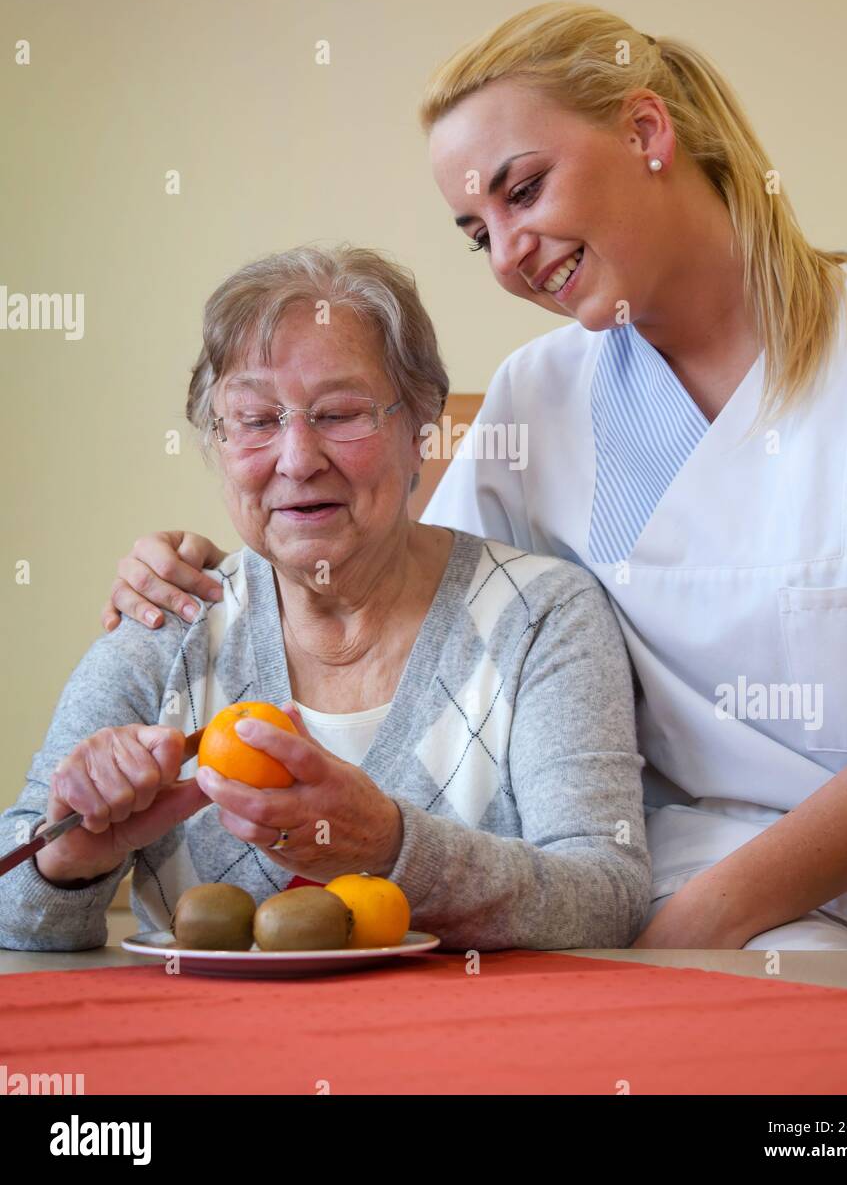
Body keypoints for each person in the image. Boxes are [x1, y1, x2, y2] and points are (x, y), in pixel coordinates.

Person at [99, 2, 847, 952]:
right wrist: (214, 568)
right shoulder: (539, 394)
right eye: (476, 230)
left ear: (644, 131)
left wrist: (681, 939)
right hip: (630, 890)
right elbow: (406, 593)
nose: (507, 255)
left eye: (525, 190)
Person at [0, 244, 651, 953]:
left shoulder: (540, 616)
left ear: (419, 429)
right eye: (255, 420)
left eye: (340, 414)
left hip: (469, 1053)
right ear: (215, 443)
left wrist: (391, 846)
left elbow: (605, 899)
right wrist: (70, 861)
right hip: (205, 1056)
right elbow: (13, 914)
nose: (298, 458)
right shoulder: (167, 622)